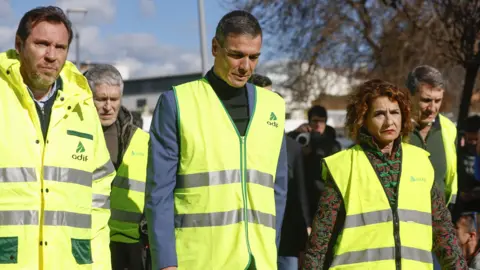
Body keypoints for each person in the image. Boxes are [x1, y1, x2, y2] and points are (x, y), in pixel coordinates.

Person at [146, 10, 288, 270]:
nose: (245, 66)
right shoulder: (177, 102)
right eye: (236, 55)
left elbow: (277, 189)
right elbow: (159, 192)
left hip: (260, 260)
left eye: (253, 57)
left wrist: (270, 245)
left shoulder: (274, 106)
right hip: (199, 260)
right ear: (215, 47)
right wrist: (165, 261)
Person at [304, 79, 467, 269]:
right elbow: (320, 243)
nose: (390, 121)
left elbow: (443, 233)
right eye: (379, 114)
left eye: (395, 113)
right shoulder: (343, 166)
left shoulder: (421, 162)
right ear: (363, 119)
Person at [0, 6, 115, 269]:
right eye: (41, 44)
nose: (51, 56)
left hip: (71, 262)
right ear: (19, 45)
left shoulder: (82, 106)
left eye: (60, 47)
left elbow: (98, 193)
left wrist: (95, 262)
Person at [85, 64, 150, 270]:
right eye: (101, 99)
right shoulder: (70, 137)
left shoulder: (140, 140)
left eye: (113, 99)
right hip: (88, 241)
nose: (108, 106)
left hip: (133, 247)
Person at [250, 73, 311, 270]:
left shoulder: (292, 147)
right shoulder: (238, 144)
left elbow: (300, 191)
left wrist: (305, 230)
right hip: (252, 237)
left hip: (286, 238)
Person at [406, 65, 458, 207]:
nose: (433, 108)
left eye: (438, 100)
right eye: (426, 100)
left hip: (440, 222)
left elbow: (451, 179)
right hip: (404, 223)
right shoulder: (394, 130)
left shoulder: (449, 129)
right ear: (409, 96)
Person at [288, 106, 341, 219]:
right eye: (315, 121)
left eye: (321, 121)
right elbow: (285, 144)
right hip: (302, 196)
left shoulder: (332, 144)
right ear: (309, 121)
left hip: (323, 197)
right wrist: (296, 132)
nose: (318, 125)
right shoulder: (301, 137)